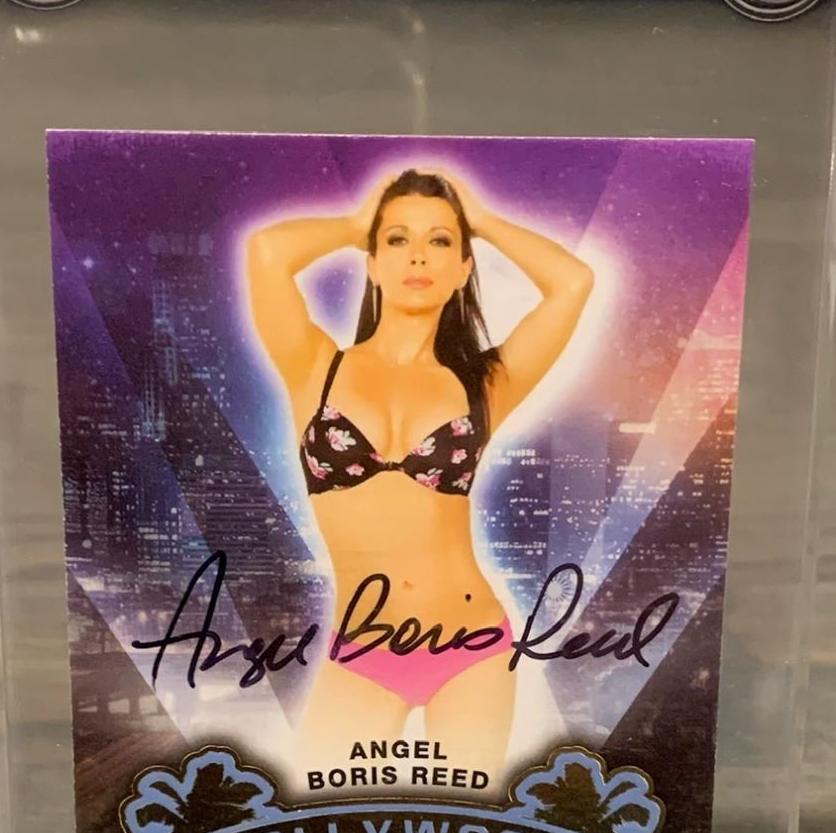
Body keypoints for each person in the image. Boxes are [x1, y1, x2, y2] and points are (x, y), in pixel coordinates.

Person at [246, 166, 594, 785]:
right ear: (372, 263)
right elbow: (266, 253)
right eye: (397, 238)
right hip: (364, 652)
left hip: (471, 647)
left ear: (463, 268)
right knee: (318, 824)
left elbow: (573, 284)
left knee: (465, 831)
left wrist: (480, 219)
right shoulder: (315, 366)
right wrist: (356, 222)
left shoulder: (485, 384)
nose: (418, 255)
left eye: (439, 241)